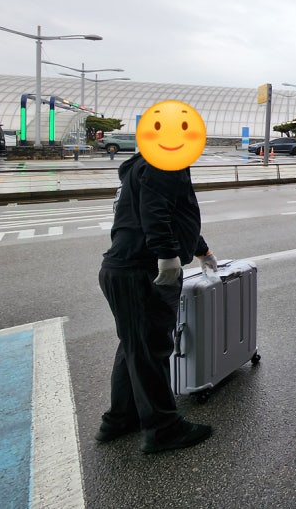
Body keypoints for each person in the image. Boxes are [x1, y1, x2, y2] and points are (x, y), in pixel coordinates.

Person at [96, 151, 217, 453]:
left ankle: (121, 418)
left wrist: (201, 250)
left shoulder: (139, 166)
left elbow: (176, 214)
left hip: (122, 269)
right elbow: (155, 210)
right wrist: (165, 254)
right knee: (150, 349)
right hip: (144, 271)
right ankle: (163, 428)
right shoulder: (164, 162)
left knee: (135, 346)